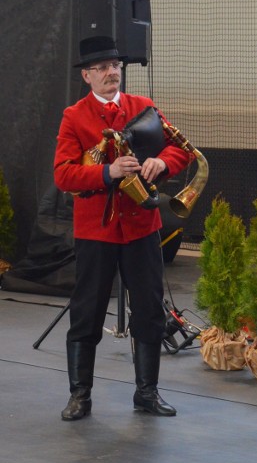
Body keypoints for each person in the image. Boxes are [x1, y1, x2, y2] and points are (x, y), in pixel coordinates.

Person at [54, 36, 192, 421]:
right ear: (87, 76)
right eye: (101, 68)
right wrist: (107, 172)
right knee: (87, 312)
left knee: (148, 311)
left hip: (142, 229)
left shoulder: (143, 107)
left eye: (115, 65)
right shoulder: (74, 116)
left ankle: (147, 393)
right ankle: (80, 395)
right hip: (96, 233)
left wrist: (163, 163)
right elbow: (63, 174)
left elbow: (179, 147)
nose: (111, 72)